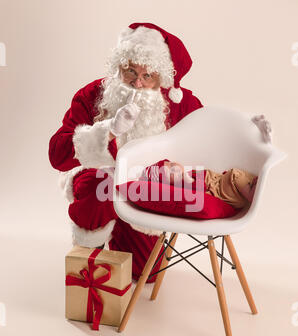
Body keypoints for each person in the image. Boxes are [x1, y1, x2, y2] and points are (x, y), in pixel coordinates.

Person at [48, 23, 203, 283]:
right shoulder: (93, 94)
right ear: (119, 65)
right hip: (100, 187)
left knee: (145, 274)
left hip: (145, 192)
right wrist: (107, 131)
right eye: (130, 71)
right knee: (102, 185)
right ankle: (90, 251)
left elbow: (205, 145)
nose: (137, 82)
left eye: (148, 76)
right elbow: (57, 154)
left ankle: (124, 235)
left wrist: (250, 135)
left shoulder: (182, 104)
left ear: (161, 78)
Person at [140, 159, 258, 209]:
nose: (174, 168)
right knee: (234, 174)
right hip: (223, 193)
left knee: (239, 175)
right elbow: (201, 189)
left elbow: (213, 176)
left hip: (225, 185)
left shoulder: (188, 173)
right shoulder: (182, 185)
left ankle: (250, 187)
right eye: (171, 172)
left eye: (171, 164)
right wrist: (187, 180)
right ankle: (249, 193)